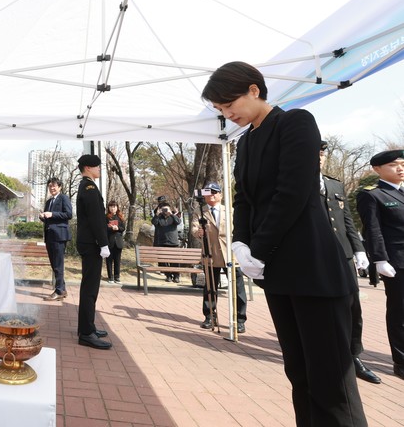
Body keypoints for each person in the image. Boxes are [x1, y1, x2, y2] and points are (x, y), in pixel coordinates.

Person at [202, 61, 365, 425]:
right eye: (221, 110)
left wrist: (258, 249)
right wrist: (241, 244)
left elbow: (292, 192)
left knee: (330, 380)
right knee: (300, 373)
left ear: (254, 90)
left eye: (230, 105)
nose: (228, 115)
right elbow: (243, 198)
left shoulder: (296, 122)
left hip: (313, 268)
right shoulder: (246, 141)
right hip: (277, 272)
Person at [319, 142, 380, 383]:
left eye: (322, 154)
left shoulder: (334, 184)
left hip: (343, 255)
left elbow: (347, 221)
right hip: (316, 255)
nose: (319, 158)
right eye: (314, 153)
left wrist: (358, 249)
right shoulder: (296, 184)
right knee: (323, 308)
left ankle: (353, 356)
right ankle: (328, 356)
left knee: (353, 307)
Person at [356, 149, 404, 382]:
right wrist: (380, 260)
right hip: (397, 262)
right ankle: (401, 361)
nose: (400, 168)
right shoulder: (372, 195)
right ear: (377, 169)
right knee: (400, 312)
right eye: (394, 164)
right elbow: (373, 230)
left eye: (403, 164)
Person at [190, 182, 248, 333]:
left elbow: (240, 228)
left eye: (215, 192)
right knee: (210, 287)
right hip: (211, 253)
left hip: (230, 254)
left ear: (221, 195)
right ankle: (210, 316)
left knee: (237, 288)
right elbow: (194, 229)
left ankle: (240, 319)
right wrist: (199, 232)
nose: (212, 195)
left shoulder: (229, 210)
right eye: (209, 192)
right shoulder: (200, 211)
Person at [75, 153, 112, 350]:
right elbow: (96, 218)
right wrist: (103, 243)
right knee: (90, 289)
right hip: (91, 244)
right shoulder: (89, 187)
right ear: (88, 168)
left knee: (89, 288)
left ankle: (87, 327)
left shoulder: (87, 186)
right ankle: (86, 333)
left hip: (89, 243)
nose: (99, 169)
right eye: (97, 166)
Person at [39, 177, 72, 301]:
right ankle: (62, 289)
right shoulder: (48, 202)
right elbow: (49, 219)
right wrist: (43, 217)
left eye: (54, 186)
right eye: (50, 186)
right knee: (54, 264)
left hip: (59, 235)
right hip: (49, 235)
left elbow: (69, 214)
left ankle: (59, 291)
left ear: (59, 187)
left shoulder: (64, 198)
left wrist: (52, 214)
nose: (52, 188)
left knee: (58, 264)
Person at [152, 200, 182, 282]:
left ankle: (176, 276)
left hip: (173, 243)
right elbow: (154, 222)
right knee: (163, 261)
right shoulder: (159, 217)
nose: (165, 211)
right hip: (162, 242)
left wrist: (171, 213)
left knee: (175, 261)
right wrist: (157, 214)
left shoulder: (173, 217)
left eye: (166, 209)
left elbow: (178, 221)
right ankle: (168, 275)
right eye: (163, 209)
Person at [105, 201, 125, 284]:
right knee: (109, 260)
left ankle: (117, 276)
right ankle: (110, 277)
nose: (113, 208)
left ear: (117, 207)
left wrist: (118, 228)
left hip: (118, 241)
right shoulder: (106, 217)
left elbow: (123, 228)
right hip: (109, 241)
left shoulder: (120, 217)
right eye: (111, 206)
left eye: (114, 206)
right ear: (108, 208)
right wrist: (111, 228)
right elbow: (104, 228)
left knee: (117, 260)